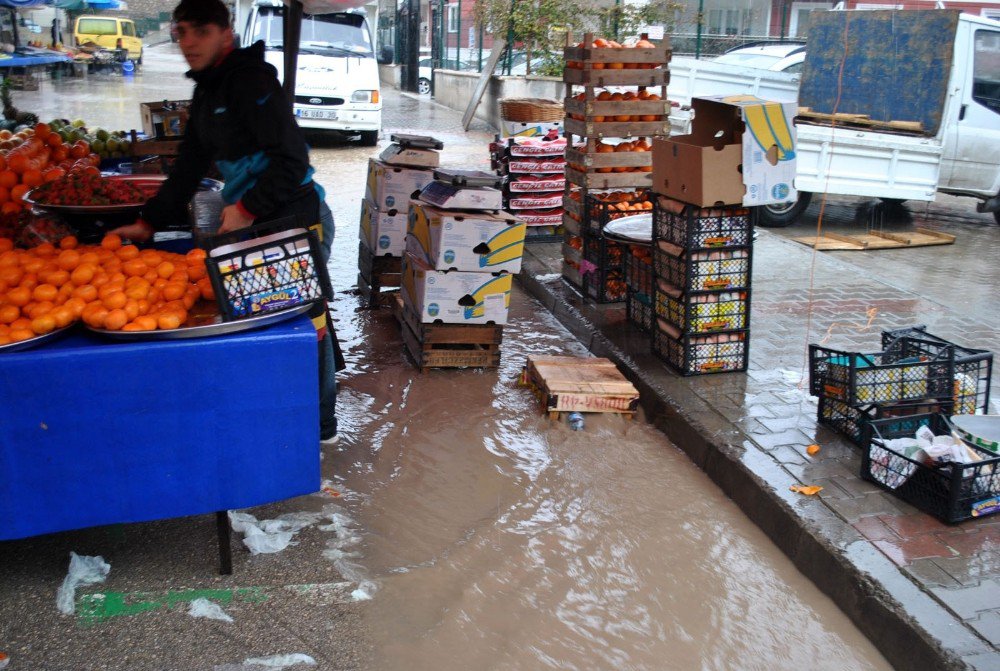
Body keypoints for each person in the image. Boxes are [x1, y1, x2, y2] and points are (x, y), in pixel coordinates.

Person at [111, 0, 339, 440]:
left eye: (199, 31)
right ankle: (276, 411)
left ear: (225, 33)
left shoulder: (251, 81)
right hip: (255, 221)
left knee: (306, 322)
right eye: (181, 32)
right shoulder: (207, 89)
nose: (188, 42)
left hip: (293, 217)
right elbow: (190, 164)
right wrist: (149, 222)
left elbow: (292, 159)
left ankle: (321, 426)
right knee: (266, 315)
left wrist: (246, 207)